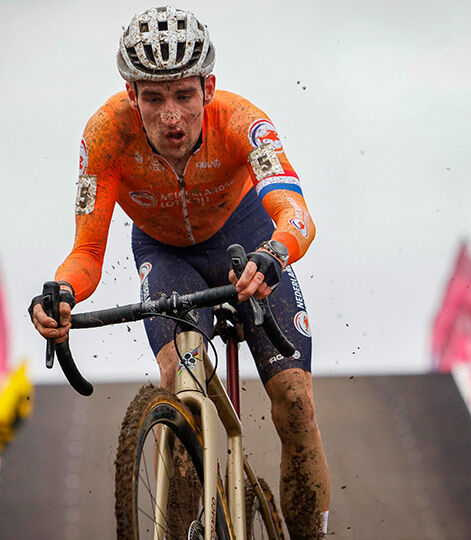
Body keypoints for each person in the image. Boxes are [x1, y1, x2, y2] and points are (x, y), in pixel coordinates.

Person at [29, 6, 329, 538]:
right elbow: (87, 253)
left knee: (296, 401)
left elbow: (297, 214)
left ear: (208, 88)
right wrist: (62, 294)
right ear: (131, 95)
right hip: (167, 255)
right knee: (181, 381)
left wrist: (275, 253)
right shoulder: (103, 136)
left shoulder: (242, 121)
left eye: (184, 95)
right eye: (154, 97)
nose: (171, 117)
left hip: (249, 241)